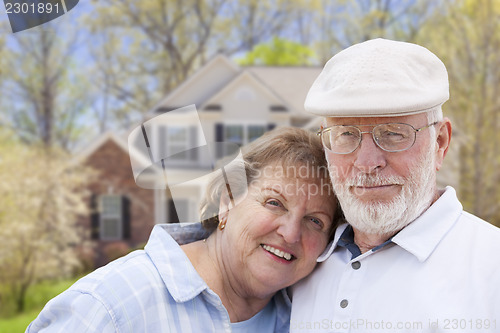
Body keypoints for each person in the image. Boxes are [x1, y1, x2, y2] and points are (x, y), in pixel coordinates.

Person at [27, 127, 341, 333]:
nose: (290, 233)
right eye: (274, 202)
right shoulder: (111, 306)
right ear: (228, 200)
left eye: (315, 221)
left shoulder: (304, 319)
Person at [290, 38, 500, 333]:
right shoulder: (296, 260)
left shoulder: (491, 267)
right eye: (346, 135)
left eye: (393, 134)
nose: (366, 162)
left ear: (440, 143)